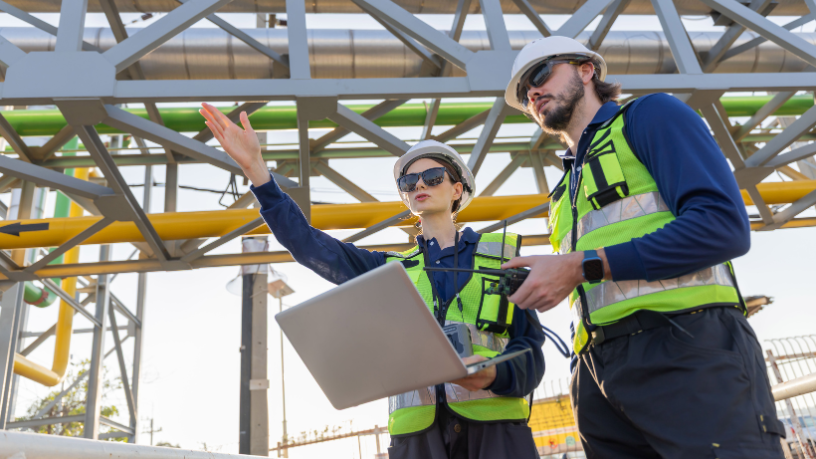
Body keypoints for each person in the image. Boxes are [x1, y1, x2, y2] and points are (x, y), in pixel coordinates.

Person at [199, 104, 546, 459]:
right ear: (406, 197)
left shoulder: (502, 259)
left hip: (497, 435)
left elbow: (531, 351)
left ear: (458, 189)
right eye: (409, 182)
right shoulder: (388, 272)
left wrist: (492, 375)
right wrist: (256, 170)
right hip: (417, 440)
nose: (420, 185)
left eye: (434, 177)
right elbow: (307, 243)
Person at [500, 36, 785, 458]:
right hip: (596, 374)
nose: (534, 92)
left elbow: (723, 226)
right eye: (525, 93)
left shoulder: (649, 115)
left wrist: (582, 266)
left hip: (685, 348)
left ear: (586, 70)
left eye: (540, 74)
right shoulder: (562, 193)